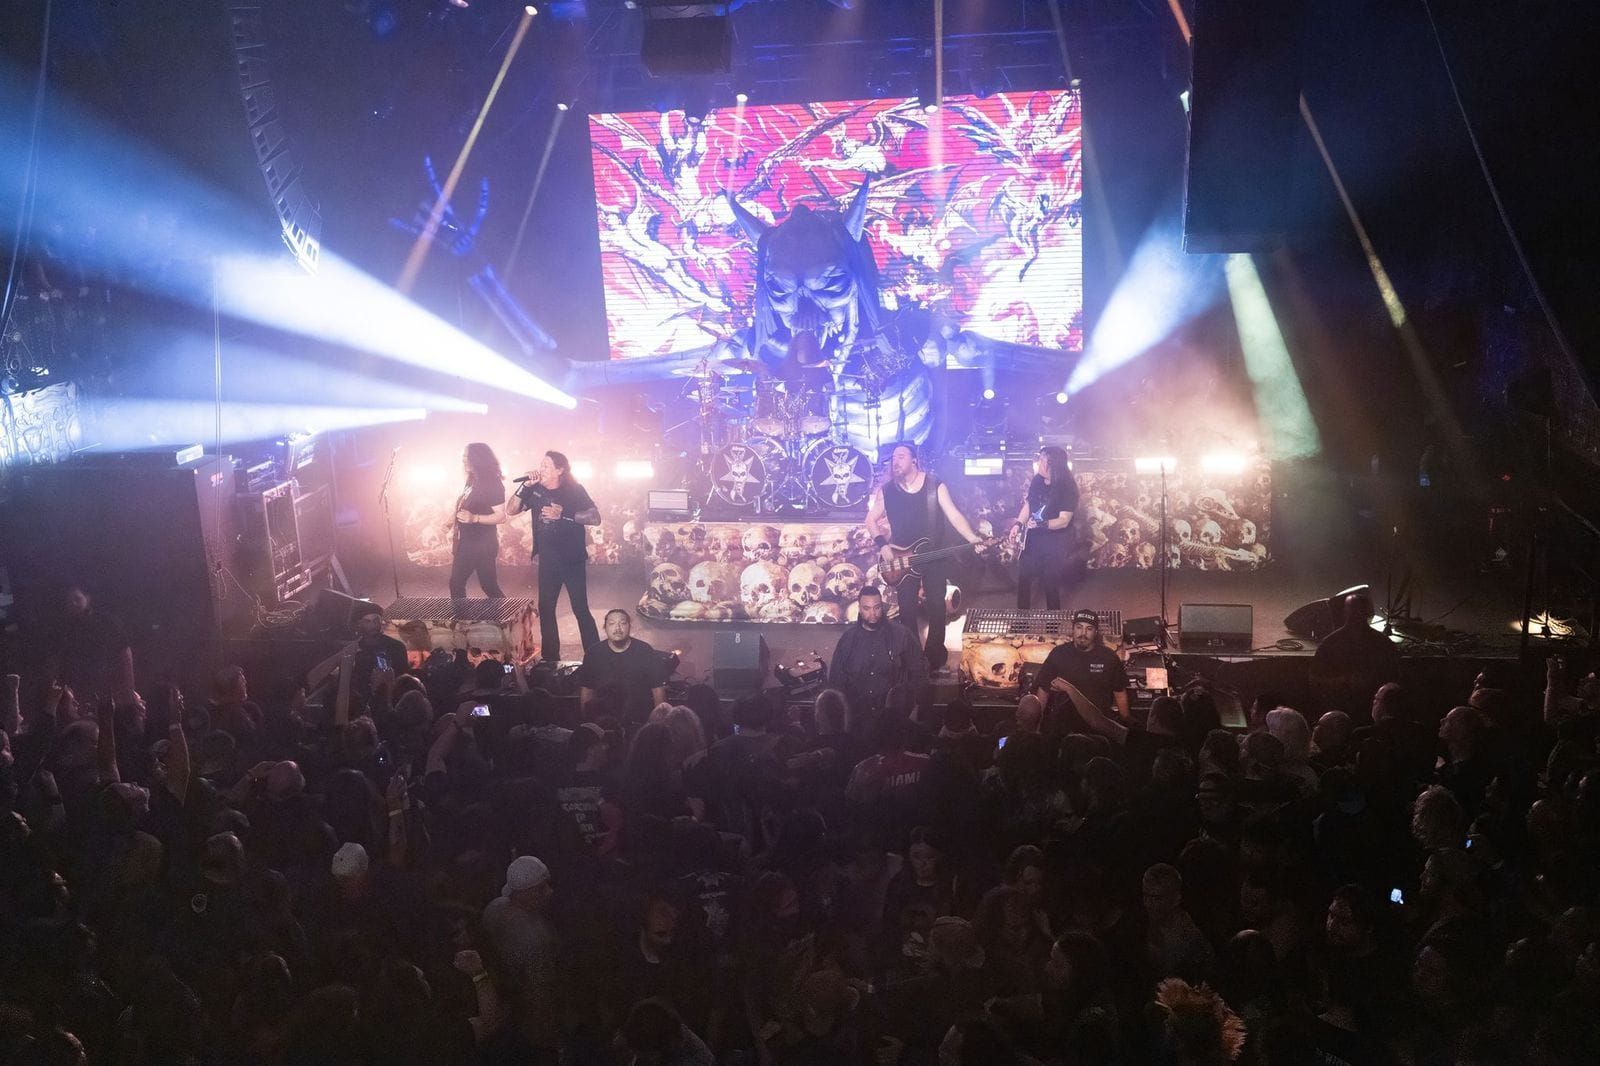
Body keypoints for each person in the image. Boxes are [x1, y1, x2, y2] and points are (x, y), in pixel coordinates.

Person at [864, 442, 990, 670]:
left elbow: (953, 514)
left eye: (901, 456)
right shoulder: (887, 491)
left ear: (914, 460)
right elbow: (870, 520)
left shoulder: (934, 485)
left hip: (934, 554)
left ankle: (934, 655)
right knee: (907, 610)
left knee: (936, 606)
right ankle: (912, 658)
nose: (895, 462)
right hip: (902, 559)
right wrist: (882, 546)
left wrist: (972, 538)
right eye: (893, 458)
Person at [508, 450, 601, 660]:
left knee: (580, 608)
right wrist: (525, 486)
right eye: (541, 465)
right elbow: (511, 510)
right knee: (546, 609)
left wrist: (564, 514)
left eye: (546, 466)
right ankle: (551, 658)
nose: (541, 469)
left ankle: (596, 656)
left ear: (560, 470)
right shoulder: (535, 490)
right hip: (548, 560)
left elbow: (595, 518)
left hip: (572, 559)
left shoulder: (575, 490)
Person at [826, 586, 926, 724]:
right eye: (866, 608)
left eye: (877, 607)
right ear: (859, 609)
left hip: (894, 720)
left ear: (882, 607)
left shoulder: (901, 635)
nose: (873, 613)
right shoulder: (848, 640)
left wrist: (913, 708)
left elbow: (919, 671)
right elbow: (836, 680)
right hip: (858, 720)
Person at [1009, 445, 1082, 610]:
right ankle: (1022, 618)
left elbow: (1064, 520)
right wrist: (1018, 524)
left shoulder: (1067, 487)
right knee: (1024, 576)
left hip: (1056, 540)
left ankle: (1052, 622)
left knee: (1050, 582)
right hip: (1034, 538)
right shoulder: (1037, 480)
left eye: (1042, 460)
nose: (1038, 462)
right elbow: (1029, 504)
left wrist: (1041, 523)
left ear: (1052, 464)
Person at [1032, 610, 1129, 729]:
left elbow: (1120, 693)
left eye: (1089, 629)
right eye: (1079, 627)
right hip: (1063, 726)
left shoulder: (1108, 657)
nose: (1083, 633)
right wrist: (1036, 725)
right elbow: (1043, 689)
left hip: (1098, 726)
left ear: (1096, 632)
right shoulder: (1058, 653)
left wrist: (1126, 724)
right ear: (1073, 629)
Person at [1309, 591, 1401, 717]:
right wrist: (1344, 681)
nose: (1357, 615)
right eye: (1354, 611)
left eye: (1360, 611)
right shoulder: (1331, 643)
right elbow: (1315, 678)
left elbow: (1395, 678)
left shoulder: (1383, 643)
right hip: (1341, 708)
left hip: (1372, 708)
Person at [44, 582, 135, 705]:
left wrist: (129, 688)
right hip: (78, 691)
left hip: (110, 687)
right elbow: (57, 662)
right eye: (69, 601)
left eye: (77, 599)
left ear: (87, 598)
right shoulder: (64, 630)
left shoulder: (107, 621)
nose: (73, 603)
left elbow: (125, 654)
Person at [578, 609, 667, 727]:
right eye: (612, 623)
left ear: (629, 626)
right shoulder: (593, 653)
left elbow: (658, 689)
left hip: (639, 720)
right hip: (604, 721)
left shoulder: (645, 651)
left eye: (622, 623)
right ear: (605, 627)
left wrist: (659, 725)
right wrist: (588, 723)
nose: (617, 628)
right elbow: (587, 690)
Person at [448, 442, 508, 599]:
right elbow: (467, 504)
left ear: (477, 458)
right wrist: (451, 520)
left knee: (457, 583)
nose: (463, 460)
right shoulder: (473, 479)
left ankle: (461, 616)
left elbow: (501, 516)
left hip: (480, 544)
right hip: (471, 542)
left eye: (466, 456)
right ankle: (511, 614)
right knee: (489, 585)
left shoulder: (491, 483)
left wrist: (474, 518)